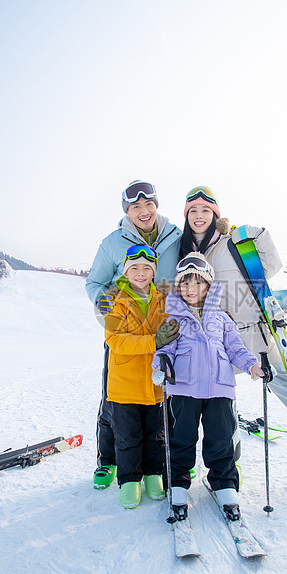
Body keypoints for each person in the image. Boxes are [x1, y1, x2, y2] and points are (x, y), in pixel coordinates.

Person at [179, 185, 287, 427]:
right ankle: (230, 460)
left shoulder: (231, 244)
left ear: (215, 214)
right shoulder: (186, 253)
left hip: (257, 335)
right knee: (222, 405)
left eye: (205, 210)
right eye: (192, 210)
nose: (199, 216)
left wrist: (260, 237)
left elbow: (269, 268)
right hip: (218, 341)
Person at [152, 253, 263, 521]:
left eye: (198, 283)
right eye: (186, 284)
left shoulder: (222, 319)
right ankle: (178, 484)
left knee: (220, 440)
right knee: (181, 440)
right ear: (179, 288)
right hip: (184, 390)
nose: (192, 290)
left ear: (209, 286)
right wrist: (161, 367)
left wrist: (252, 366)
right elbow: (165, 349)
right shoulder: (174, 320)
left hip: (219, 389)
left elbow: (236, 348)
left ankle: (223, 483)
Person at [85, 181, 181, 490]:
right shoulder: (113, 243)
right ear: (127, 211)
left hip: (162, 328)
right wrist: (111, 313)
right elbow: (94, 284)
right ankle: (108, 460)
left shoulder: (175, 237)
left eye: (148, 204)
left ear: (156, 205)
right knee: (115, 399)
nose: (143, 211)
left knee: (162, 398)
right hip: (125, 330)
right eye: (135, 207)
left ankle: (162, 463)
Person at [104, 244, 179, 508]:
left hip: (154, 383)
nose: (140, 273)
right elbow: (115, 339)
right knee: (127, 437)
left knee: (155, 434)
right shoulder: (115, 299)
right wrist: (152, 341)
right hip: (125, 384)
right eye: (134, 267)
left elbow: (172, 330)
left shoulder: (163, 298)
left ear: (153, 272)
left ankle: (153, 474)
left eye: (146, 268)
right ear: (126, 271)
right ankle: (129, 480)